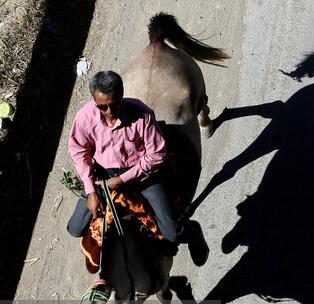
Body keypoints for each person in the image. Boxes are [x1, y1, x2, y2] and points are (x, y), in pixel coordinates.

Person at [66, 70, 208, 266]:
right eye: (102, 107)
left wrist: (122, 180)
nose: (109, 112)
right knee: (75, 228)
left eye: (113, 104)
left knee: (171, 231)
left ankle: (192, 232)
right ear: (94, 101)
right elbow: (79, 151)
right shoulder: (84, 117)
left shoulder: (141, 114)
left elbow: (156, 155)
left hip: (141, 175)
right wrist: (90, 190)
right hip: (104, 175)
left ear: (122, 94)